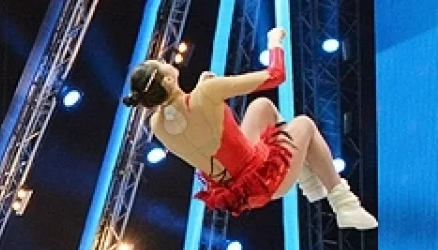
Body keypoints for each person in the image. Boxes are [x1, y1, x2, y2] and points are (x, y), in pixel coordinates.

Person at [122, 29, 376, 228]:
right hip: (265, 181)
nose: (167, 62)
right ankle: (343, 204)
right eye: (162, 64)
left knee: (261, 107)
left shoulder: (157, 125)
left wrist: (203, 91)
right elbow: (276, 75)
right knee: (304, 124)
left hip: (236, 191)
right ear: (167, 79)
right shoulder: (206, 93)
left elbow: (195, 125)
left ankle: (308, 181)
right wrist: (274, 41)